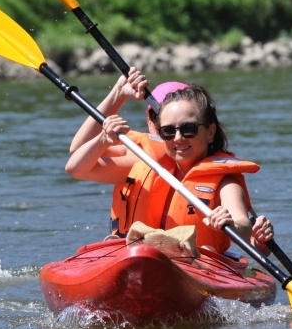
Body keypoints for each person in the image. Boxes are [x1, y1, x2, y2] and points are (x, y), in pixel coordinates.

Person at [65, 79, 274, 254]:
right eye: (167, 131)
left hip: (199, 265)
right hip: (142, 257)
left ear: (210, 132)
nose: (178, 138)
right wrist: (104, 135)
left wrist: (230, 223)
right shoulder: (145, 163)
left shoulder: (224, 180)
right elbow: (76, 166)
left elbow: (243, 225)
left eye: (189, 128)